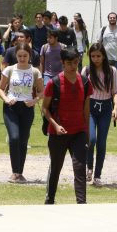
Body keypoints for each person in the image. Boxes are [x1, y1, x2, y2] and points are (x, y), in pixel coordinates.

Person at [42, 49, 91, 204]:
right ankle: (50, 199)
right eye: (69, 63)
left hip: (79, 132)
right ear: (62, 63)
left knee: (80, 167)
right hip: (58, 133)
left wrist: (88, 134)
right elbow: (44, 108)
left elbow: (86, 111)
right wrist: (55, 126)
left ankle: (81, 203)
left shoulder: (85, 82)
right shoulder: (53, 83)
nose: (73, 66)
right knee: (56, 167)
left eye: (75, 62)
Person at [0, 42, 43, 183]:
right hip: (11, 107)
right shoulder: (9, 70)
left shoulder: (35, 71)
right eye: (19, 56)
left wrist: (34, 101)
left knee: (23, 141)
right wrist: (6, 99)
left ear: (30, 56)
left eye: (25, 56)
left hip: (27, 108)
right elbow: (0, 88)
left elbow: (42, 91)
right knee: (14, 138)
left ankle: (20, 173)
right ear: (15, 56)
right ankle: (14, 172)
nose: (22, 58)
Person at [82, 43, 117, 187]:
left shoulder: (112, 71)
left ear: (103, 55)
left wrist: (115, 108)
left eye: (98, 56)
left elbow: (115, 91)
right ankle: (89, 168)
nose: (96, 59)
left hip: (105, 108)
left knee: (102, 142)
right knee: (91, 139)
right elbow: (81, 91)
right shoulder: (86, 70)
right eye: (93, 56)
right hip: (90, 107)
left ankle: (97, 175)